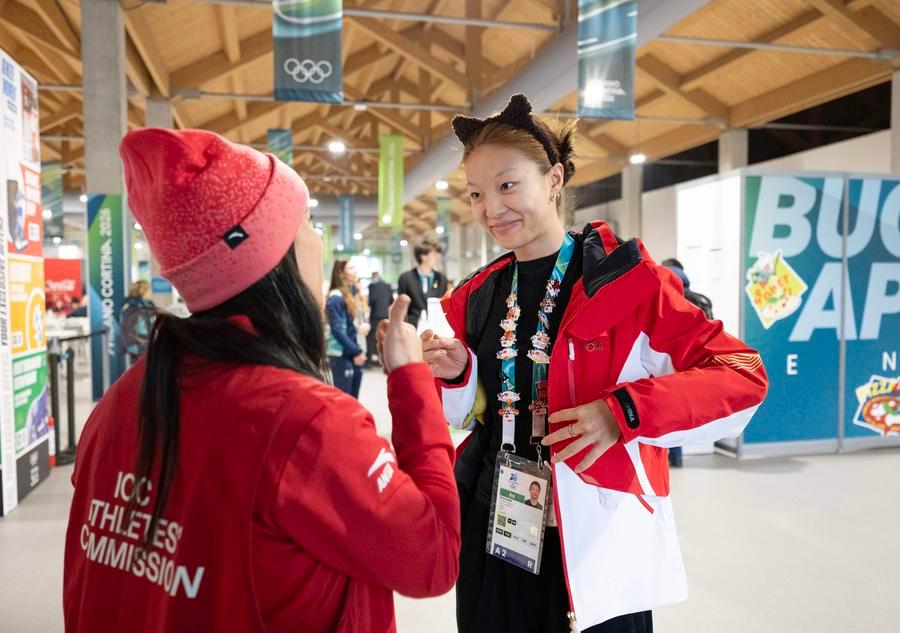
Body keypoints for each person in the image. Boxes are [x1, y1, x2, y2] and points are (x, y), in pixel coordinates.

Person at [64, 128, 460, 633]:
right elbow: (434, 557)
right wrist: (409, 383)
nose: (320, 241)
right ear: (279, 256)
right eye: (310, 224)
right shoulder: (308, 422)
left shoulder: (123, 399)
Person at [419, 94, 768, 633]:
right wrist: (456, 372)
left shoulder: (630, 284)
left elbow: (742, 374)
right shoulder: (477, 296)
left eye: (508, 185)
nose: (491, 209)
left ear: (554, 179)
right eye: (476, 194)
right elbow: (467, 417)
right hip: (497, 530)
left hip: (595, 542)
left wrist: (624, 412)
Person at [661, 258, 715, 468]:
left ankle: (666, 455)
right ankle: (678, 456)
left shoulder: (664, 295)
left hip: (667, 359)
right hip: (693, 362)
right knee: (680, 410)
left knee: (664, 409)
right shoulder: (702, 299)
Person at [326, 260, 370, 398]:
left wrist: (365, 326)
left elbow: (353, 325)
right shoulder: (336, 298)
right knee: (344, 400)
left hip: (354, 351)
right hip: (342, 354)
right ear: (341, 273)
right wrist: (356, 352)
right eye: (351, 268)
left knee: (353, 400)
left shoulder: (354, 295)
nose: (355, 271)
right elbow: (337, 330)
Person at [397, 238, 448, 328]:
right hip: (412, 327)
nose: (438, 258)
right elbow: (402, 307)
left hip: (436, 327)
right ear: (423, 256)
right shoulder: (406, 278)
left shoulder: (441, 278)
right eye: (434, 255)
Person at [119, 280, 157, 363]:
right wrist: (135, 346)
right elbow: (127, 329)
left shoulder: (149, 306)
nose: (151, 292)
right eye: (149, 290)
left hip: (150, 346)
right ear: (143, 291)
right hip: (139, 348)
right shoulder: (131, 307)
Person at [366, 271, 394, 366]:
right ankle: (382, 360)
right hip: (385, 315)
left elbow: (371, 301)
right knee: (383, 338)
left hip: (375, 316)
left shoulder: (372, 286)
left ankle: (369, 361)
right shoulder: (387, 285)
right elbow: (391, 300)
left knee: (370, 337)